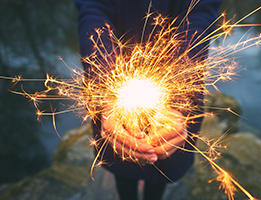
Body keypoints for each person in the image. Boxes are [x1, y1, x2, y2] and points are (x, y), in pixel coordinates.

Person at [74, 0, 223, 199]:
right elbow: (93, 9)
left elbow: (199, 16)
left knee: (161, 171)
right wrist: (108, 89)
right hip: (115, 88)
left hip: (177, 89)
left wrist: (178, 100)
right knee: (123, 165)